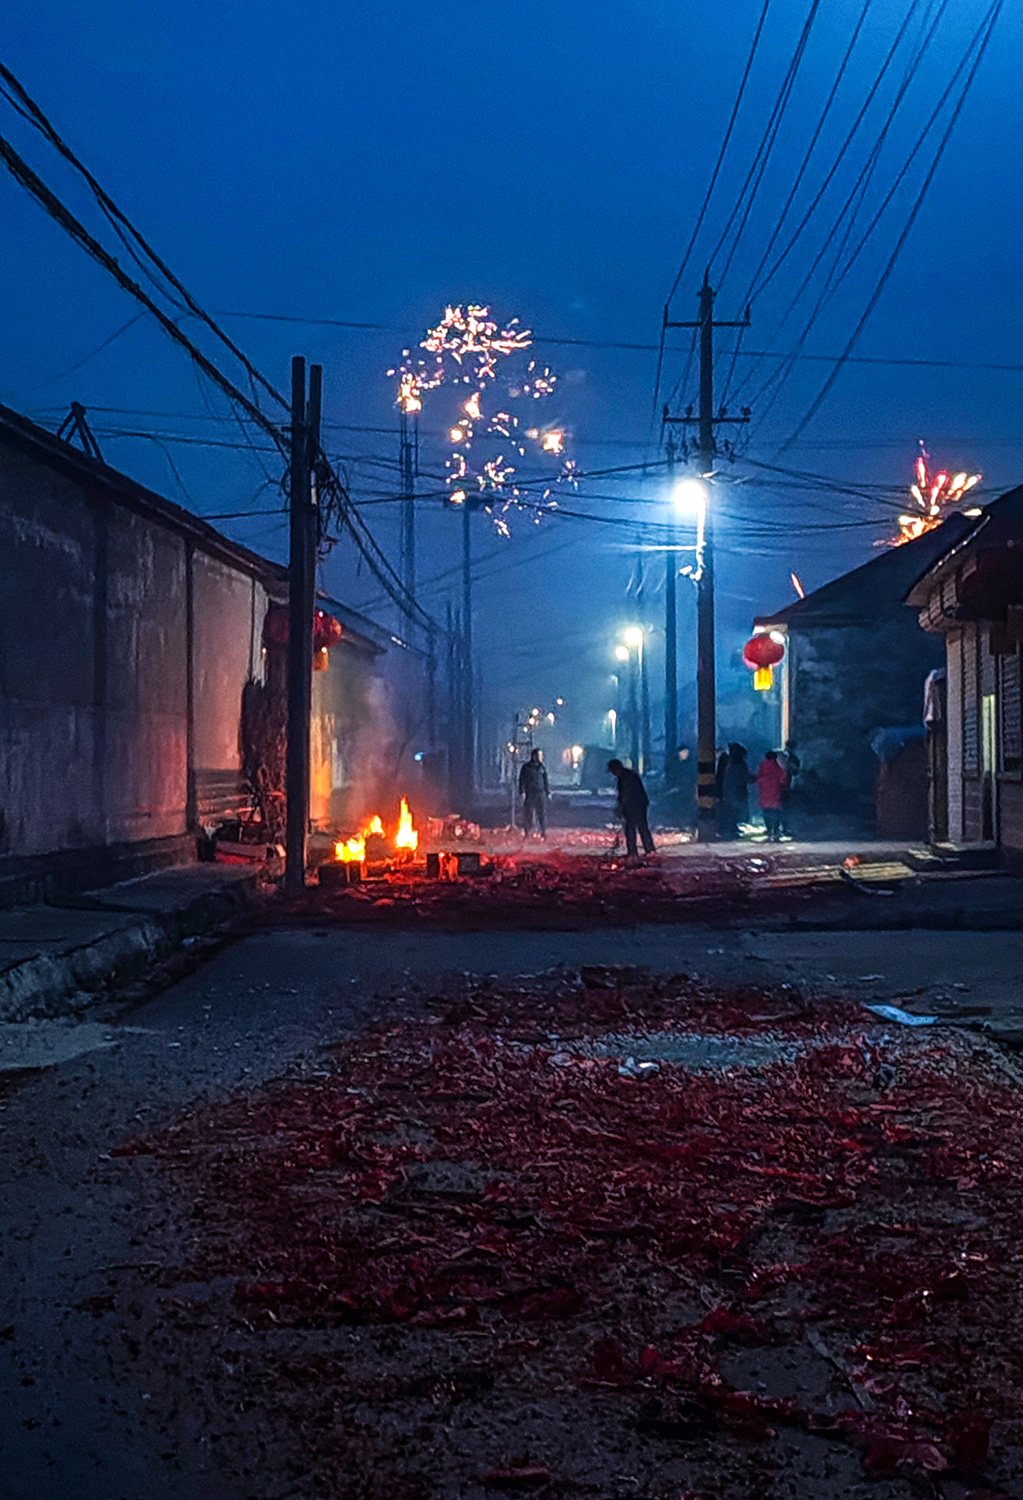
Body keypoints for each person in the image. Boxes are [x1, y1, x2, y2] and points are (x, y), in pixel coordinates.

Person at [607, 758, 655, 857]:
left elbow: (627, 794)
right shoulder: (627, 776)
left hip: (635, 805)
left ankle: (635, 851)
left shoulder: (626, 777)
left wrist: (622, 807)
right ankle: (648, 849)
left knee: (633, 828)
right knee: (641, 827)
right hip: (638, 804)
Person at [716, 742, 752, 839]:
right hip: (736, 791)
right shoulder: (737, 763)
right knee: (733, 811)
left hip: (728, 791)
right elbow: (744, 777)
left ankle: (730, 829)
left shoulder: (727, 761)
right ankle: (730, 830)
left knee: (730, 811)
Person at [756, 749, 790, 841]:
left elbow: (758, 779)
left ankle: (769, 830)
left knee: (766, 813)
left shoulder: (762, 765)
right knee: (775, 813)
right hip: (775, 793)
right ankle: (775, 830)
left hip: (764, 794)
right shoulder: (778, 766)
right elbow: (783, 780)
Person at [518, 748, 549, 837]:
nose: (542, 757)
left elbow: (545, 780)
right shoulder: (526, 768)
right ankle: (527, 832)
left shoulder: (542, 768)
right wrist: (522, 791)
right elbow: (522, 780)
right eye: (540, 755)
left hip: (540, 793)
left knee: (541, 814)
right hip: (530, 793)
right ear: (534, 756)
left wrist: (547, 792)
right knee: (528, 814)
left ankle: (543, 832)